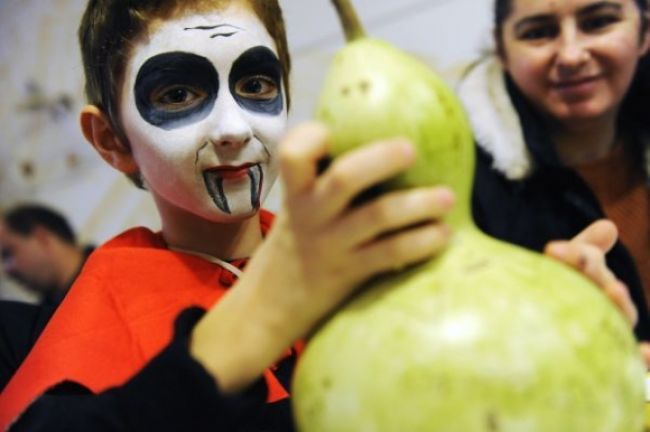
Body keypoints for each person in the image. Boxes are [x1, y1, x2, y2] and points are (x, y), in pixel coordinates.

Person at [0, 0, 640, 430]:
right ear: (113, 141)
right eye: (176, 93)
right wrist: (258, 320)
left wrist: (552, 325)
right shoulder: (99, 307)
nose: (231, 129)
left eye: (254, 85)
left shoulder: (362, 254)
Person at [457, 0, 650, 340]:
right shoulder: (462, 188)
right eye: (539, 33)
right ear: (501, 50)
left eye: (599, 22)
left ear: (644, 31)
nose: (572, 55)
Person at [0, 204, 94, 390]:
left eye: (8, 253)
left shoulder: (122, 266)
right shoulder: (37, 330)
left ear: (41, 237)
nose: (7, 270)